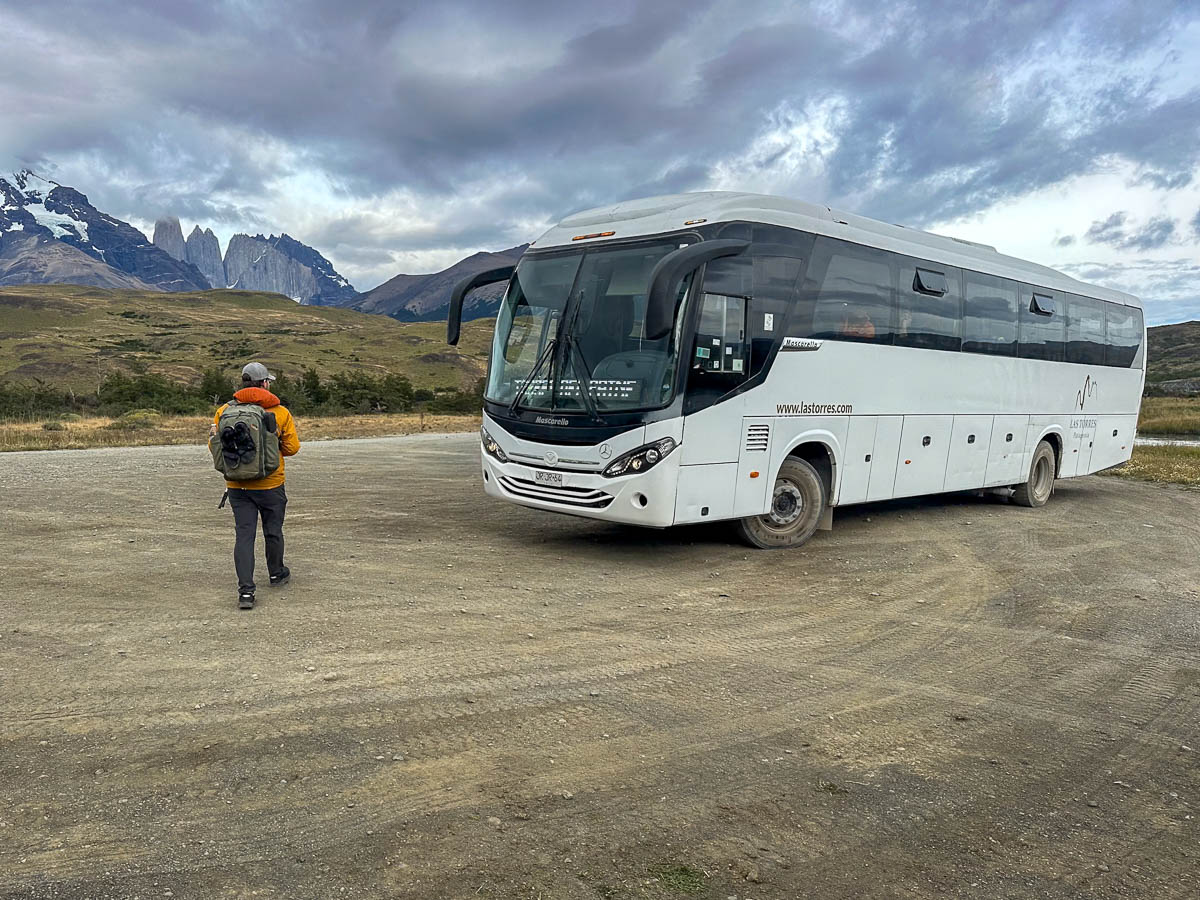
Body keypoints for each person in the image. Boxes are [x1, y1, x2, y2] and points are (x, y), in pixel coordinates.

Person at [212, 362, 300, 609]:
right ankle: (276, 573)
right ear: (264, 383)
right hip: (271, 483)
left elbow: (215, 445)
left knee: (244, 535)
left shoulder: (223, 411)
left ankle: (246, 592)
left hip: (237, 485)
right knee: (273, 529)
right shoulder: (280, 412)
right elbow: (292, 449)